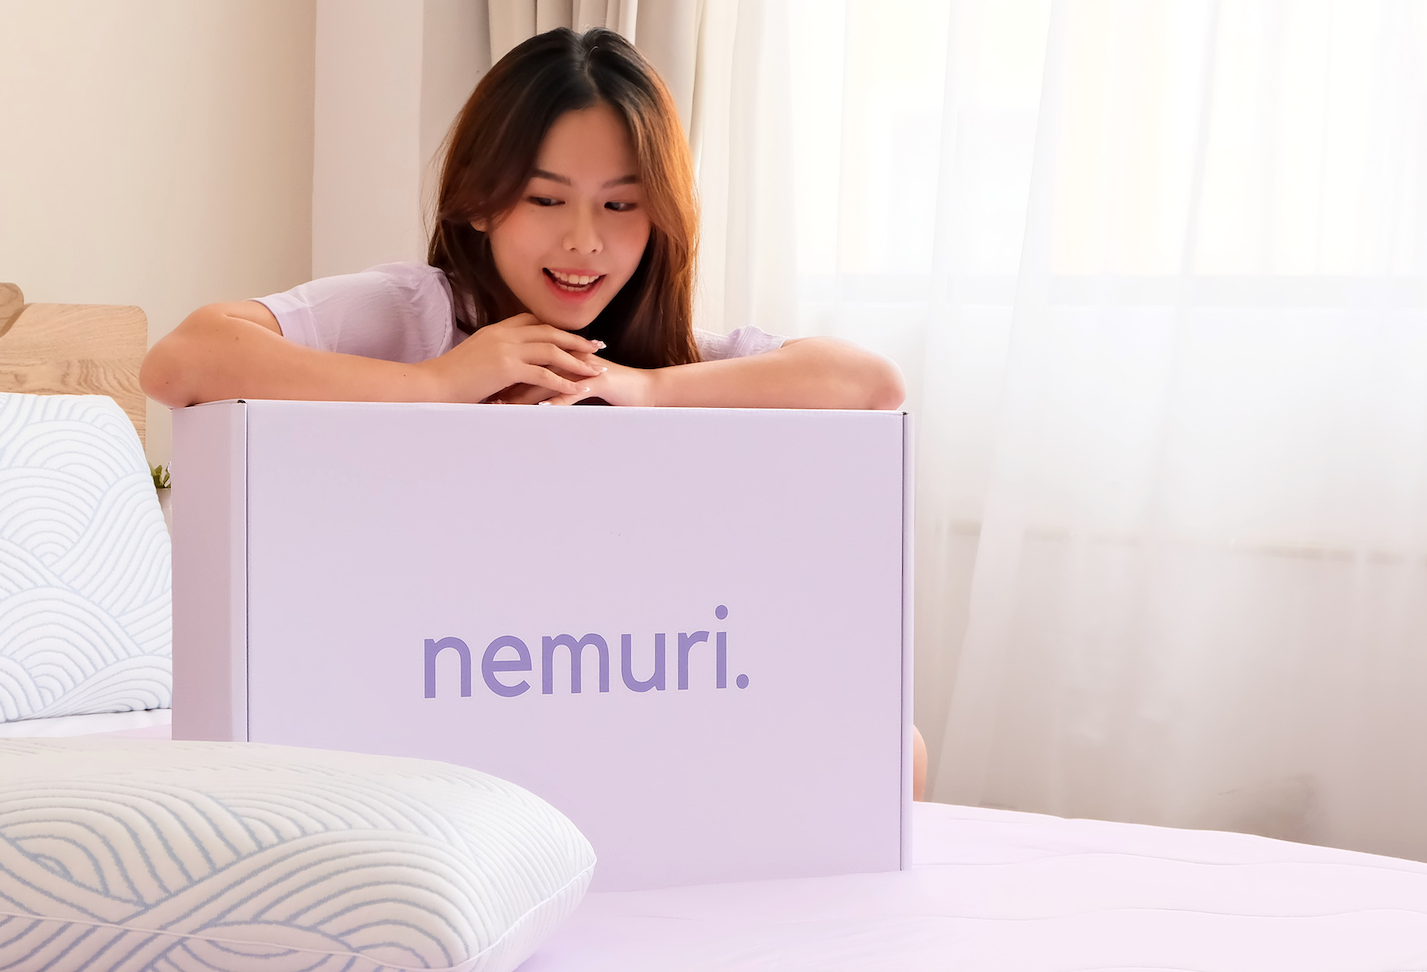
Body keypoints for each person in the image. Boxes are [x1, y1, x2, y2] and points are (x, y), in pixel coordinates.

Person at [141, 26, 924, 798]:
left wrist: (643, 389)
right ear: (482, 202)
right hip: (438, 677)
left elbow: (870, 385)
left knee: (899, 747)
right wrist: (441, 385)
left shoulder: (657, 353)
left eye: (622, 204)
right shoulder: (415, 311)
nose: (585, 242)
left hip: (606, 676)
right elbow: (182, 360)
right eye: (546, 198)